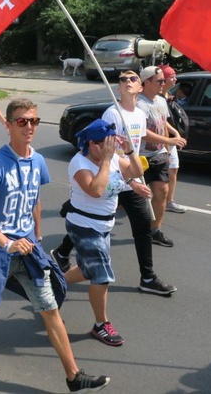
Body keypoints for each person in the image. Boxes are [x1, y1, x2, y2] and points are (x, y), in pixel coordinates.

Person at [0, 98, 110, 393]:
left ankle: (73, 376)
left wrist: (37, 237)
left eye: (34, 121)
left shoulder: (38, 161)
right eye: (22, 121)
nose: (29, 126)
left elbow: (34, 200)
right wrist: (6, 243)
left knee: (49, 306)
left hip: (29, 248)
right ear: (9, 125)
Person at [51, 70, 177, 296]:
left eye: (132, 79)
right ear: (118, 88)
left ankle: (147, 277)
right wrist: (129, 181)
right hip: (115, 179)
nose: (127, 82)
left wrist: (163, 144)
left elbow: (134, 145)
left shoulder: (139, 114)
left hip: (130, 177)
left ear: (140, 87)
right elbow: (105, 152)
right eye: (122, 80)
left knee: (140, 227)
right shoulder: (112, 115)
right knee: (94, 216)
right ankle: (64, 251)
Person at [63, 119, 150, 347]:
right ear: (92, 144)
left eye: (112, 143)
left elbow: (137, 171)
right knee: (102, 276)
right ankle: (101, 325)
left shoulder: (109, 158)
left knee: (86, 269)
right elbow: (96, 190)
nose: (111, 147)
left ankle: (55, 283)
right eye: (106, 144)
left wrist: (130, 151)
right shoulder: (80, 163)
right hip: (84, 225)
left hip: (103, 226)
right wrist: (108, 160)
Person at [136, 66, 186, 247]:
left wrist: (167, 147)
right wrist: (168, 140)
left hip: (158, 155)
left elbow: (162, 121)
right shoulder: (139, 104)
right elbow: (142, 132)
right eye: (159, 81)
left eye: (164, 81)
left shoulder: (160, 101)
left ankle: (154, 230)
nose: (163, 84)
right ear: (147, 82)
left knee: (162, 192)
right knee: (124, 199)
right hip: (139, 159)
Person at [159, 65, 186, 214]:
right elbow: (161, 121)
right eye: (172, 76)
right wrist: (173, 135)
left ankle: (169, 201)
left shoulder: (168, 94)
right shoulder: (156, 98)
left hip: (170, 139)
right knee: (161, 171)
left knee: (173, 169)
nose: (175, 78)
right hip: (162, 140)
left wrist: (175, 133)